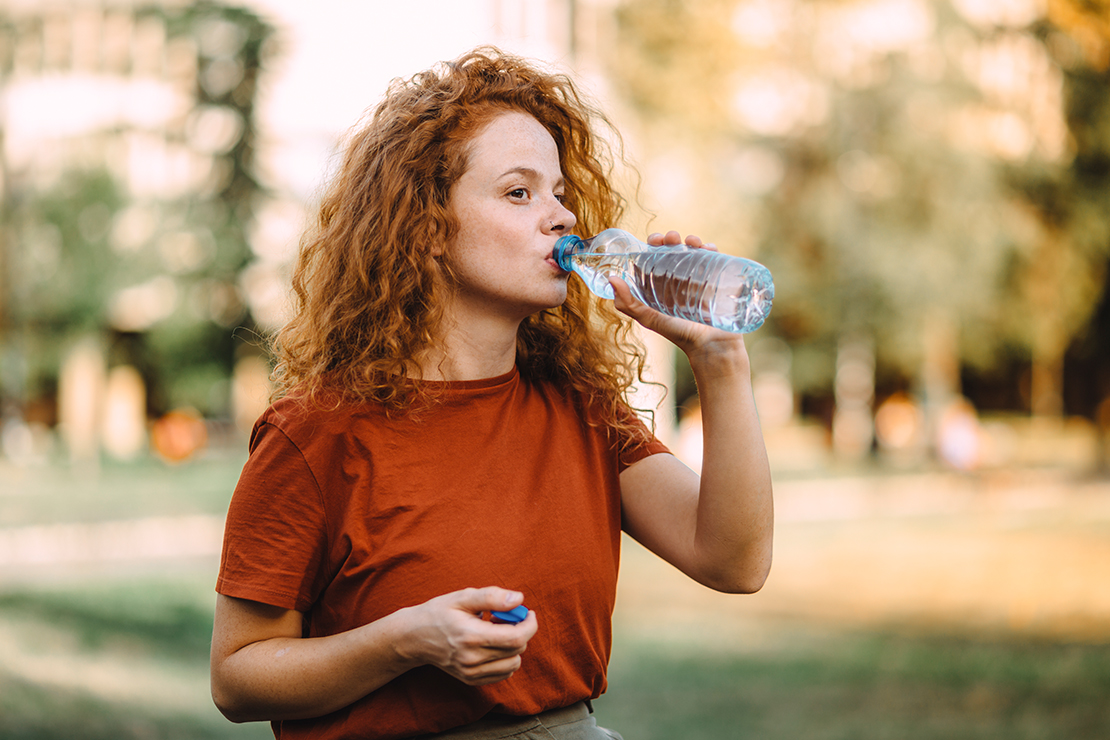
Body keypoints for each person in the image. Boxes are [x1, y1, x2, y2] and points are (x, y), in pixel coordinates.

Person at [210, 46, 773, 740]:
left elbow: (733, 561)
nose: (562, 217)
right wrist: (404, 641)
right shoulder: (318, 433)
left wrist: (721, 363)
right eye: (519, 192)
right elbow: (238, 678)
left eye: (560, 193)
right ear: (427, 231)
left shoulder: (579, 409)